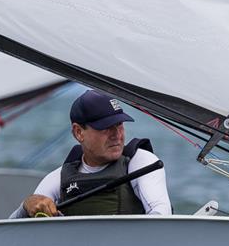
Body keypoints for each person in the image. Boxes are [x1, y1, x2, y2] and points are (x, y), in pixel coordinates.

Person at [10, 90, 172, 218]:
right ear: (78, 132)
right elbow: (10, 231)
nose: (117, 134)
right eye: (106, 127)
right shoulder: (59, 179)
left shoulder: (142, 163)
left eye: (119, 125)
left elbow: (161, 216)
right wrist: (28, 204)